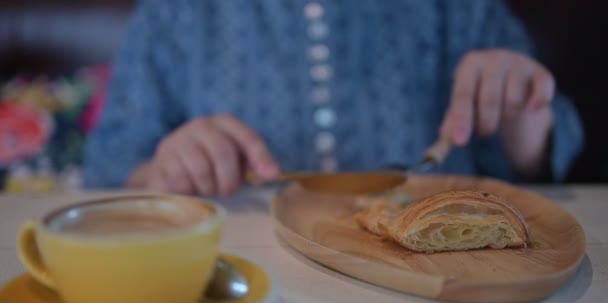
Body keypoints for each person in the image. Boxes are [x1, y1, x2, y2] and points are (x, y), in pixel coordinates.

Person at [83, 0, 583, 197]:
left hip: (442, 287)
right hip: (243, 282)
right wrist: (163, 172)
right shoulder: (177, 13)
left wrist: (522, 108)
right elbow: (112, 162)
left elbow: (547, 158)